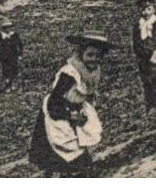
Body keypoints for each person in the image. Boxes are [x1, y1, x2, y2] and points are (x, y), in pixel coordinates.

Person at [27, 33, 108, 176]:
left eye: (98, 56)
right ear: (81, 54)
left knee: (78, 150)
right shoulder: (70, 74)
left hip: (75, 111)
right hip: (58, 113)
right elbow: (54, 101)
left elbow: (86, 91)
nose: (94, 59)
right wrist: (70, 115)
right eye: (90, 55)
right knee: (64, 150)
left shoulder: (93, 71)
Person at [131, 0, 156, 110]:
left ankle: (154, 103)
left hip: (155, 55)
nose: (146, 12)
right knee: (145, 80)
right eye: (143, 10)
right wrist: (137, 53)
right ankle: (148, 102)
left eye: (149, 9)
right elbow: (135, 41)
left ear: (153, 9)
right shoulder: (137, 25)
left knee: (154, 78)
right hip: (142, 57)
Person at [0, 20, 24, 90]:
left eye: (9, 27)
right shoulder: (0, 35)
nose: (8, 29)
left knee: (14, 69)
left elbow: (20, 44)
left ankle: (11, 84)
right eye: (5, 28)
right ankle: (7, 85)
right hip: (3, 56)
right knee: (5, 70)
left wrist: (20, 54)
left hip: (13, 55)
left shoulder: (15, 34)